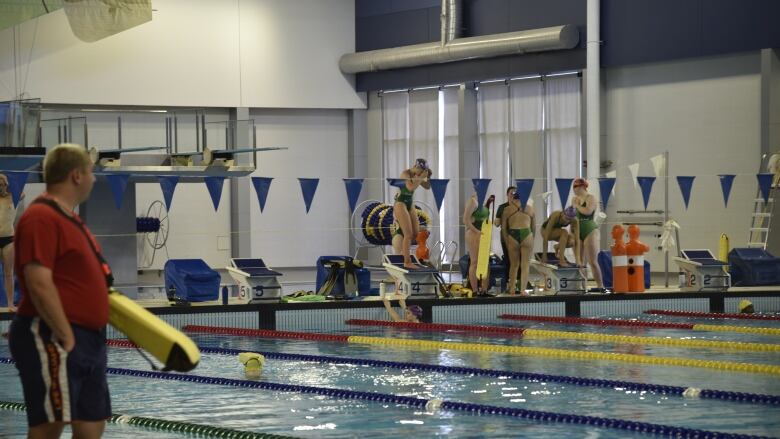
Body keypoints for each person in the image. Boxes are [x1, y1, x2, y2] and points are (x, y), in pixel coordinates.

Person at [8, 144, 111, 439]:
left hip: (88, 339)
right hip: (53, 334)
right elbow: (38, 281)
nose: (93, 179)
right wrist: (66, 336)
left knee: (91, 425)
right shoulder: (41, 217)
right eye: (91, 172)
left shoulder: (70, 219)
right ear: (77, 175)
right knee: (49, 425)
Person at [393, 158, 432, 269]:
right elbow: (410, 187)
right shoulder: (405, 173)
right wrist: (420, 177)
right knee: (408, 234)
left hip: (409, 204)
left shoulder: (417, 175)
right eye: (420, 171)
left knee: (415, 234)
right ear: (416, 167)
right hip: (400, 203)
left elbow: (428, 186)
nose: (420, 174)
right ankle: (407, 261)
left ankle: (405, 255)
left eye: (422, 172)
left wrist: (427, 177)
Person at [572, 178, 605, 292]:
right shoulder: (575, 199)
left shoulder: (591, 198)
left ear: (581, 186)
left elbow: (588, 211)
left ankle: (601, 287)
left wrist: (577, 206)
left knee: (592, 261)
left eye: (575, 187)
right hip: (577, 230)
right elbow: (572, 214)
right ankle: (583, 287)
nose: (573, 189)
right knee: (580, 262)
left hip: (589, 229)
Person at [501, 191, 535, 295]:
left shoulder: (507, 209)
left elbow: (503, 228)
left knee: (514, 265)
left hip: (513, 234)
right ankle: (523, 290)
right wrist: (532, 238)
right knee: (525, 265)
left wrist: (507, 241)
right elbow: (533, 227)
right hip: (526, 233)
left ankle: (511, 289)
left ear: (513, 198)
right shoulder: (530, 208)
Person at [0, 173, 23, 312]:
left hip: (9, 239)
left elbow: (22, 192)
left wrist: (6, 178)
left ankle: (10, 303)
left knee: (9, 273)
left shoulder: (13, 198)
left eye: (1, 185)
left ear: (6, 185)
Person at [463, 193, 491, 293]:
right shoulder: (472, 201)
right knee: (475, 262)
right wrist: (476, 231)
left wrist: (488, 203)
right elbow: (465, 220)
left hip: (483, 233)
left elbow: (483, 217)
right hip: (474, 232)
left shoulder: (482, 201)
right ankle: (474, 290)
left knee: (485, 263)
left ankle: (484, 289)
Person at [494, 186, 515, 288]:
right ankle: (508, 282)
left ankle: (517, 281)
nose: (513, 196)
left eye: (514, 194)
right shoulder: (502, 207)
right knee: (508, 259)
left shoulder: (519, 206)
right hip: (505, 236)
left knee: (517, 259)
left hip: (517, 236)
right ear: (507, 195)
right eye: (511, 194)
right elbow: (497, 223)